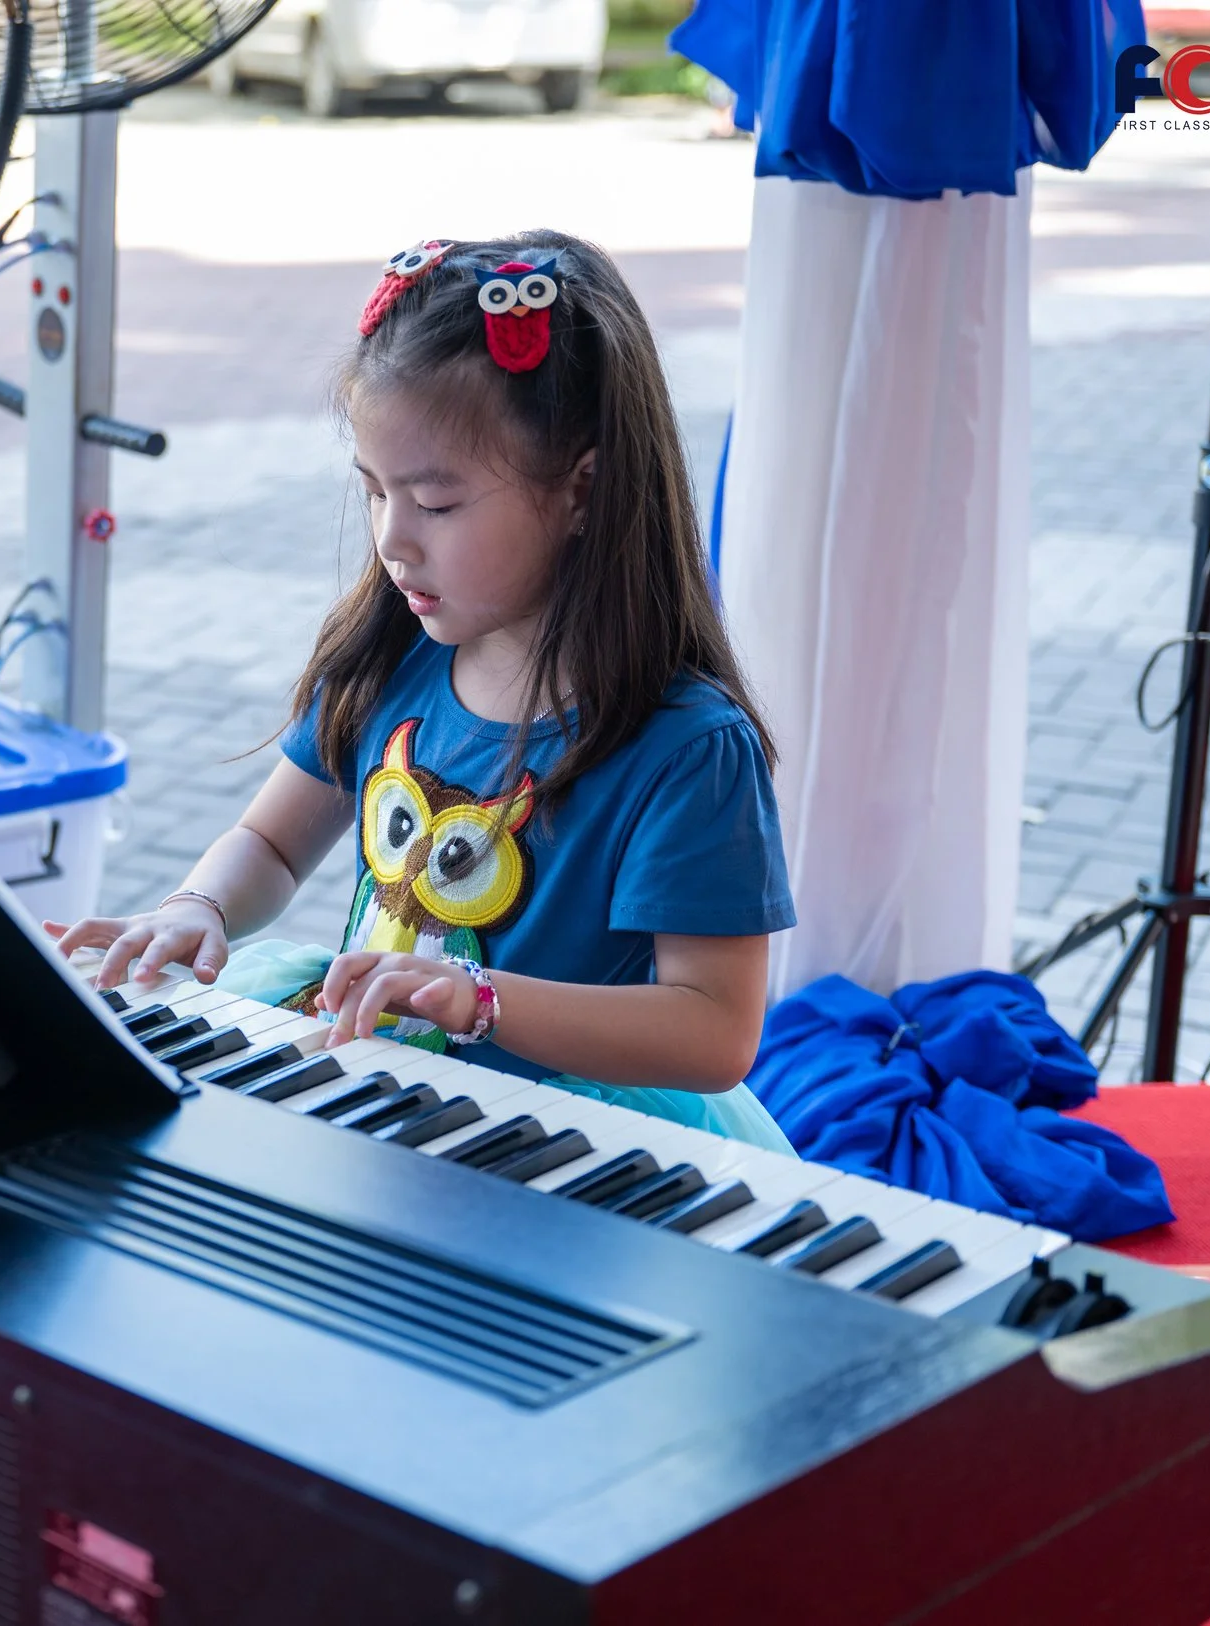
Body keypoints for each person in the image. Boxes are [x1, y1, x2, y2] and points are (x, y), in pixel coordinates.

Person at [47, 230, 798, 1152]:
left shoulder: (685, 747)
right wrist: (195, 908)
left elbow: (714, 1030)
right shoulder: (388, 661)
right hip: (384, 1093)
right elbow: (271, 846)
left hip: (569, 1138)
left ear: (582, 491)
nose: (394, 538)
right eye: (374, 491)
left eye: (436, 503)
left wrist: (482, 1001)